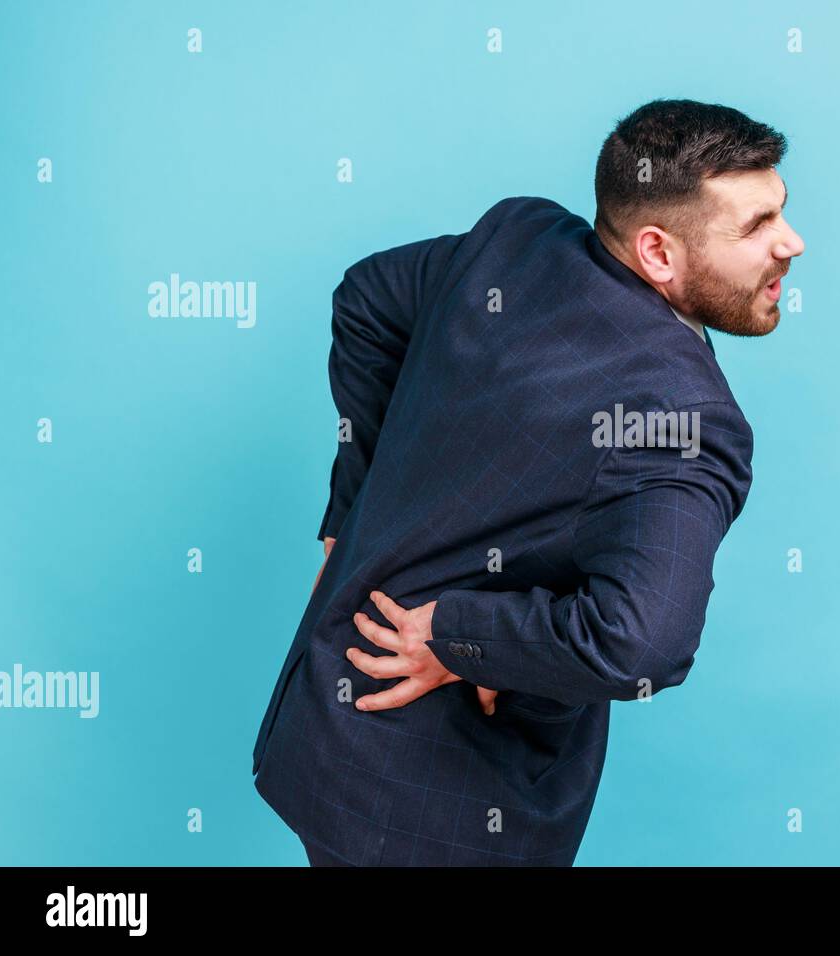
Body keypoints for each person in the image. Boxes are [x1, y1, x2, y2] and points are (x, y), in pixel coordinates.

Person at [251, 98, 805, 866]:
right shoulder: (686, 416)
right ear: (658, 253)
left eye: (781, 213)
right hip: (442, 804)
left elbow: (367, 297)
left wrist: (355, 509)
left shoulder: (517, 241)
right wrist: (455, 637)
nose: (793, 244)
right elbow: (641, 645)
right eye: (757, 227)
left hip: (329, 737)